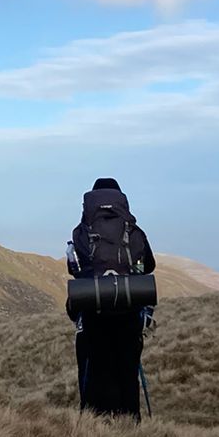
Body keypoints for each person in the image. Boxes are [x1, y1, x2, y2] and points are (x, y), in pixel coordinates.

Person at [65, 177, 155, 419]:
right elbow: (149, 266)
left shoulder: (82, 232)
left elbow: (74, 270)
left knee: (94, 373)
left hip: (93, 314)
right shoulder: (133, 231)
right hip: (128, 313)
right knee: (126, 373)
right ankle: (131, 430)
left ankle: (95, 430)